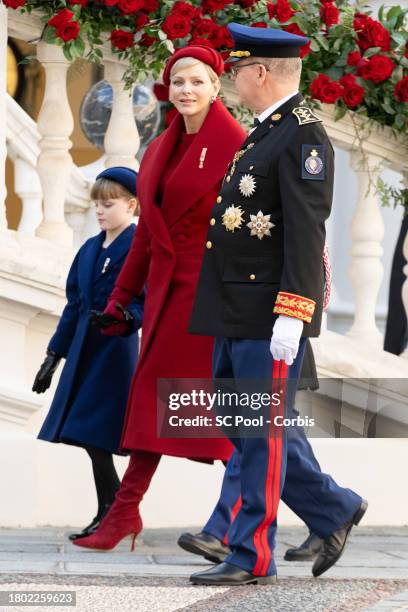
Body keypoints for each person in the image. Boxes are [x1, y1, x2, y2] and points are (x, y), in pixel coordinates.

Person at [181, 24, 367, 586]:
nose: (232, 80)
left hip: (267, 313)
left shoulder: (303, 137)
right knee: (247, 427)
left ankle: (249, 553)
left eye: (236, 70)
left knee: (261, 434)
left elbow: (308, 232)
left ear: (261, 72)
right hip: (237, 310)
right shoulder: (268, 132)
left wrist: (294, 311)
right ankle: (333, 508)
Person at [73, 45, 246, 552]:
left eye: (197, 81)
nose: (187, 90)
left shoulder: (236, 144)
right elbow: (148, 231)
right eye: (179, 82)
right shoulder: (161, 147)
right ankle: (124, 514)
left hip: (214, 297)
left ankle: (304, 510)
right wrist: (122, 297)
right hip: (169, 297)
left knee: (221, 414)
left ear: (217, 87)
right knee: (152, 403)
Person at [35, 167, 144, 541]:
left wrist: (127, 319)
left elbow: (146, 299)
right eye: (97, 204)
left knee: (95, 435)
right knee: (88, 436)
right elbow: (74, 306)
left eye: (108, 204)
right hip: (84, 349)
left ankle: (114, 512)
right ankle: (113, 512)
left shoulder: (137, 245)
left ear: (131, 205)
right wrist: (53, 356)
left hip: (114, 352)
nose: (100, 211)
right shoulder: (88, 249)